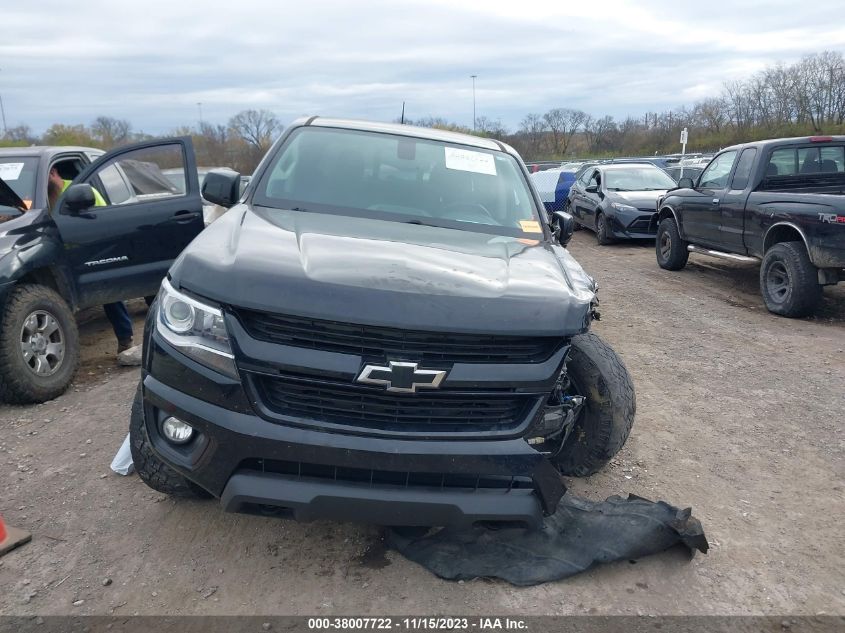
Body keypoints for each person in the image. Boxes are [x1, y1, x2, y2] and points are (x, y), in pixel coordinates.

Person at [47, 166, 135, 354]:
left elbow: (102, 219)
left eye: (47, 178)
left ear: (54, 172)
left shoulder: (79, 189)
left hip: (89, 246)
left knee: (109, 291)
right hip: (56, 250)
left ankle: (125, 339)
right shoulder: (38, 195)